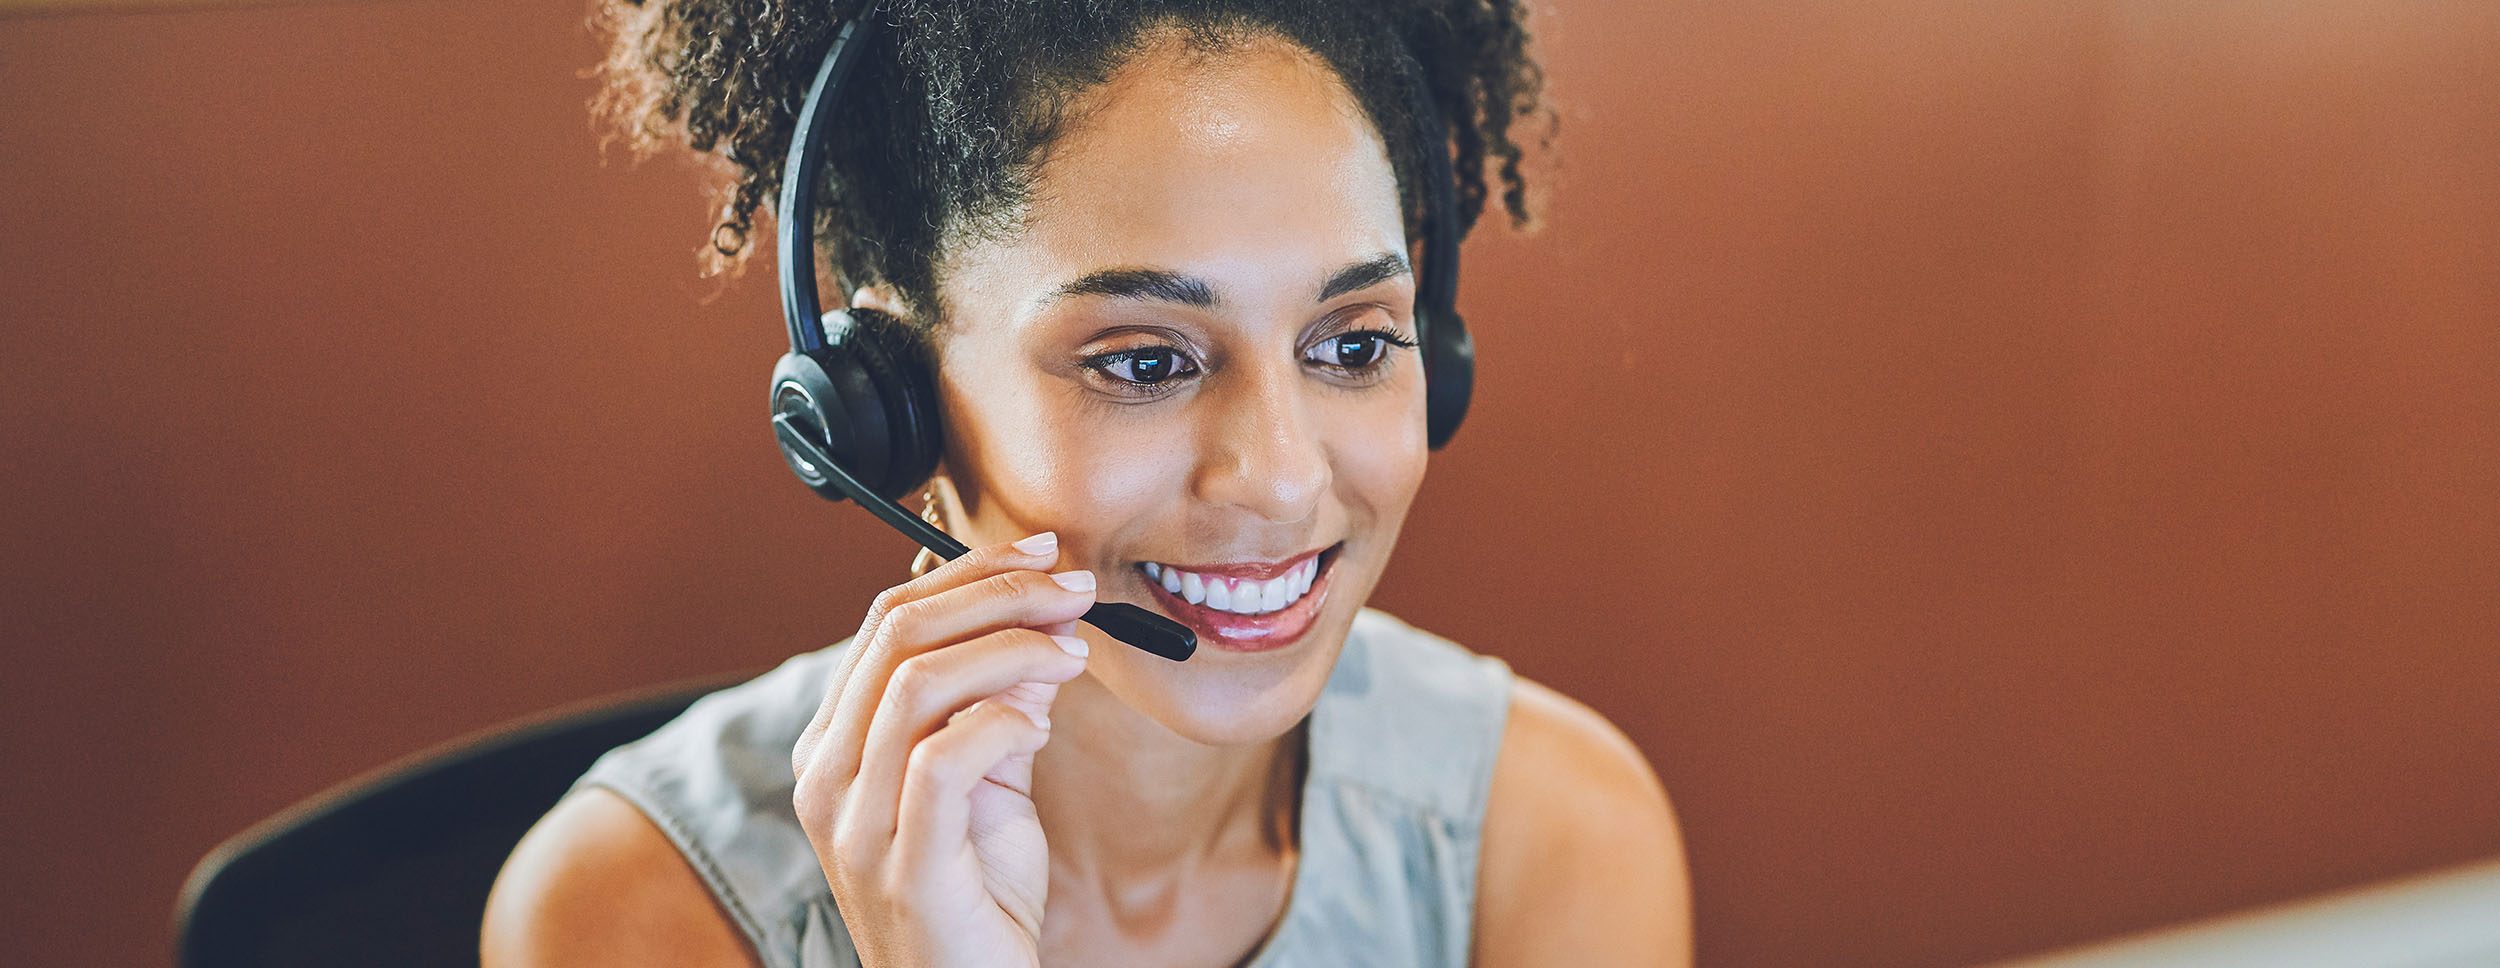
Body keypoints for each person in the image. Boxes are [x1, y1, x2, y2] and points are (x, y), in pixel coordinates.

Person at [482, 1, 1691, 964]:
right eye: (1147, 362)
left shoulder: (1551, 837)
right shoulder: (630, 913)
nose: (1277, 476)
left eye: (1354, 343)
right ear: (885, 403)